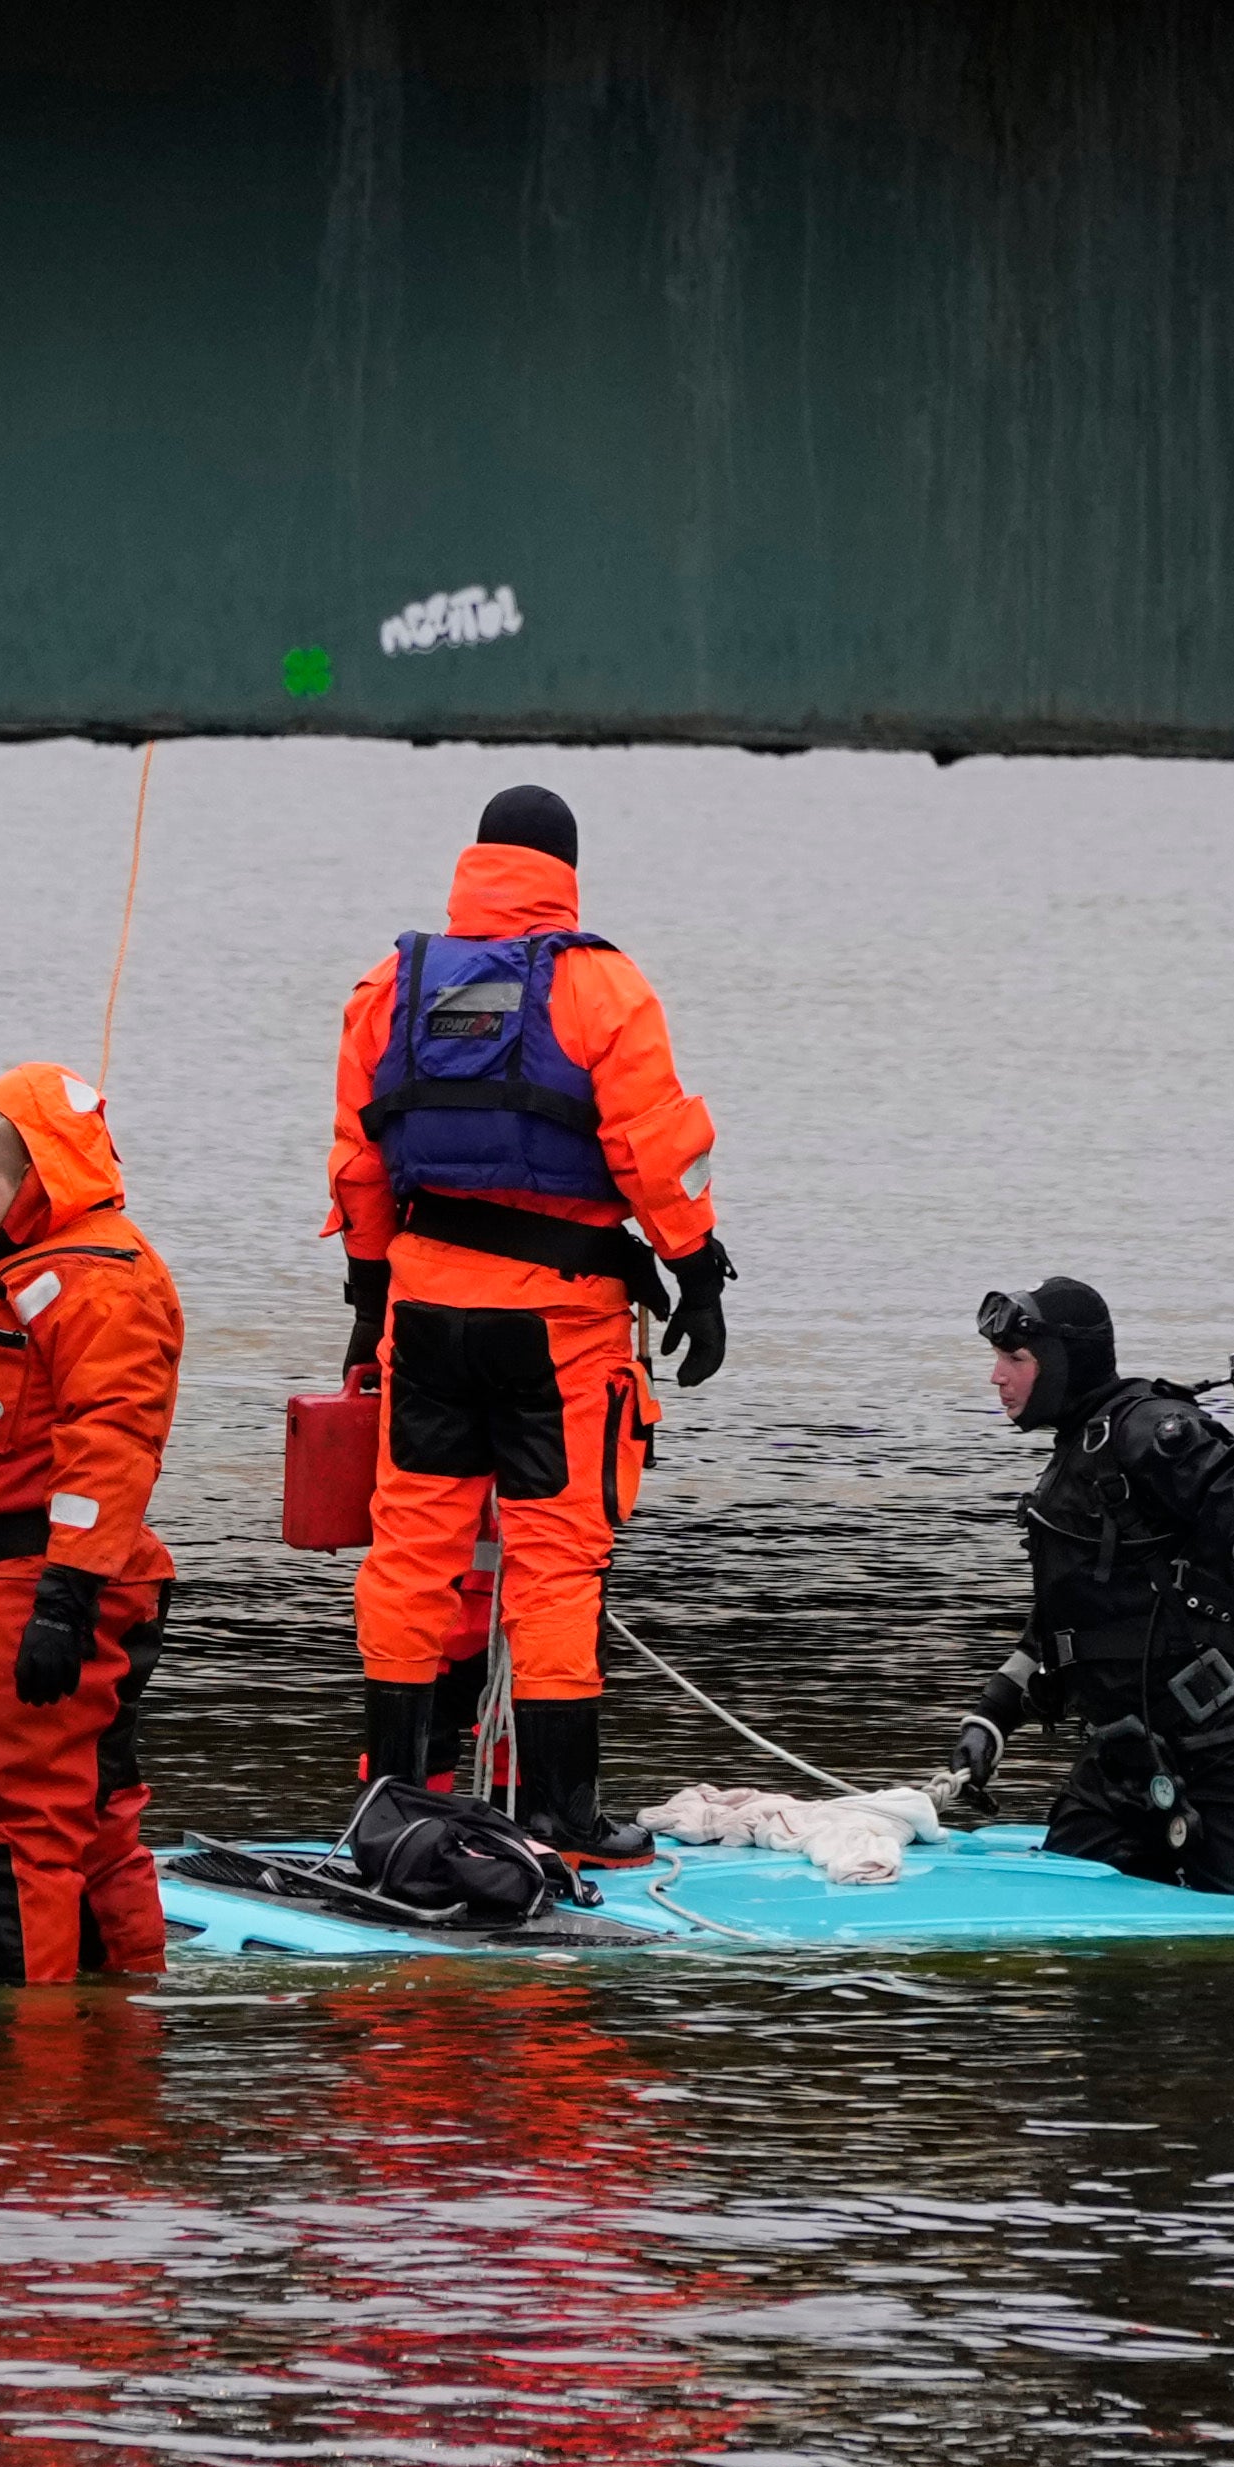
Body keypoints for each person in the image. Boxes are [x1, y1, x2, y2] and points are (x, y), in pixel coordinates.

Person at [322, 780, 730, 1863]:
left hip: (427, 1313)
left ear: (475, 864)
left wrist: (369, 1298)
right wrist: (698, 1270)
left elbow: (359, 1159)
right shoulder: (602, 985)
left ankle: (394, 1807)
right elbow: (655, 1147)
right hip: (556, 1325)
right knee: (555, 1559)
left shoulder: (391, 985)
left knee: (413, 1552)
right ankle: (561, 1814)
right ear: (566, 872)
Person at [958, 1278, 1234, 1906]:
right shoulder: (1076, 1456)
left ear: (1064, 1363)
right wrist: (992, 1716)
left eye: (1016, 1360)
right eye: (999, 1359)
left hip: (1222, 1741)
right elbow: (1070, 1619)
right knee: (1067, 1916)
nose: (997, 1377)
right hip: (1121, 1752)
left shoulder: (1153, 1427)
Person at [0, 1058, 183, 1987]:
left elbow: (109, 1445)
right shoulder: (28, 1270)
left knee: (16, 1826)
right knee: (93, 1813)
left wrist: (64, 1600)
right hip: (14, 1575)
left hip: (46, 1582)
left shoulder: (96, 1283)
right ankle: (121, 2009)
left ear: (33, 1179)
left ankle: (25, 2052)